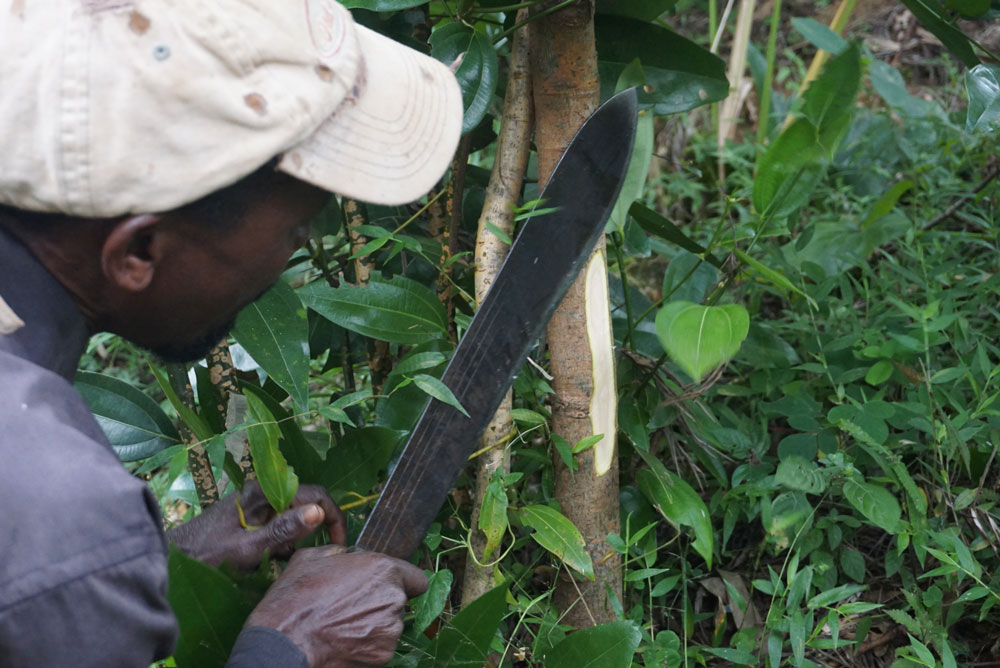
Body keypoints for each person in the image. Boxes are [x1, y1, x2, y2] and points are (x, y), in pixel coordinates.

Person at [0, 0, 463, 666]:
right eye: (295, 232)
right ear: (140, 252)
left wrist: (152, 565)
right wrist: (294, 641)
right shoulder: (59, 513)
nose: (288, 265)